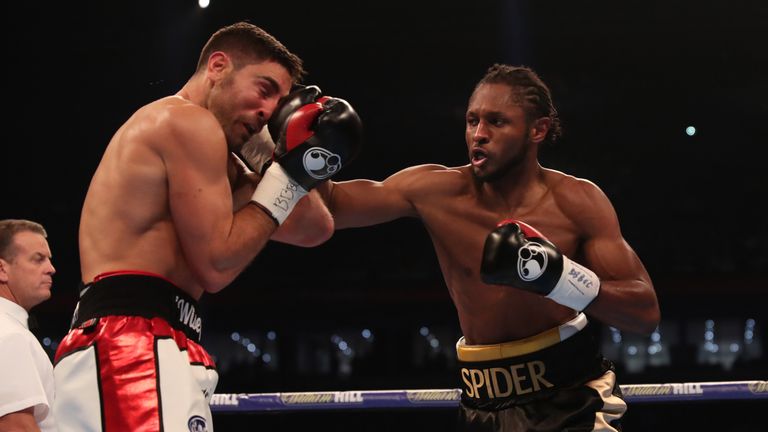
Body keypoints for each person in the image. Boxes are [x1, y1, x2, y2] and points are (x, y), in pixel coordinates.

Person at [52, 22, 362, 431]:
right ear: (217, 66)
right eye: (264, 89)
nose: (269, 111)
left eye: (279, 103)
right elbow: (216, 265)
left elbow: (315, 226)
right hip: (131, 344)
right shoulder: (185, 122)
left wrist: (277, 152)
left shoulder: (219, 164)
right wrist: (283, 180)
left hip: (147, 343)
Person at [318, 64, 659, 431]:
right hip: (480, 402)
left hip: (570, 397)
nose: (478, 134)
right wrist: (294, 152)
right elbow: (330, 208)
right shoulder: (435, 191)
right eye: (471, 120)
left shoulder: (578, 202)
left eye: (497, 122)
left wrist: (560, 278)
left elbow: (644, 312)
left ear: (538, 129)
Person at [0, 219, 57, 431]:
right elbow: (15, 426)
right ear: (2, 269)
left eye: (49, 260)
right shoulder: (9, 334)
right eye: (38, 259)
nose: (51, 269)